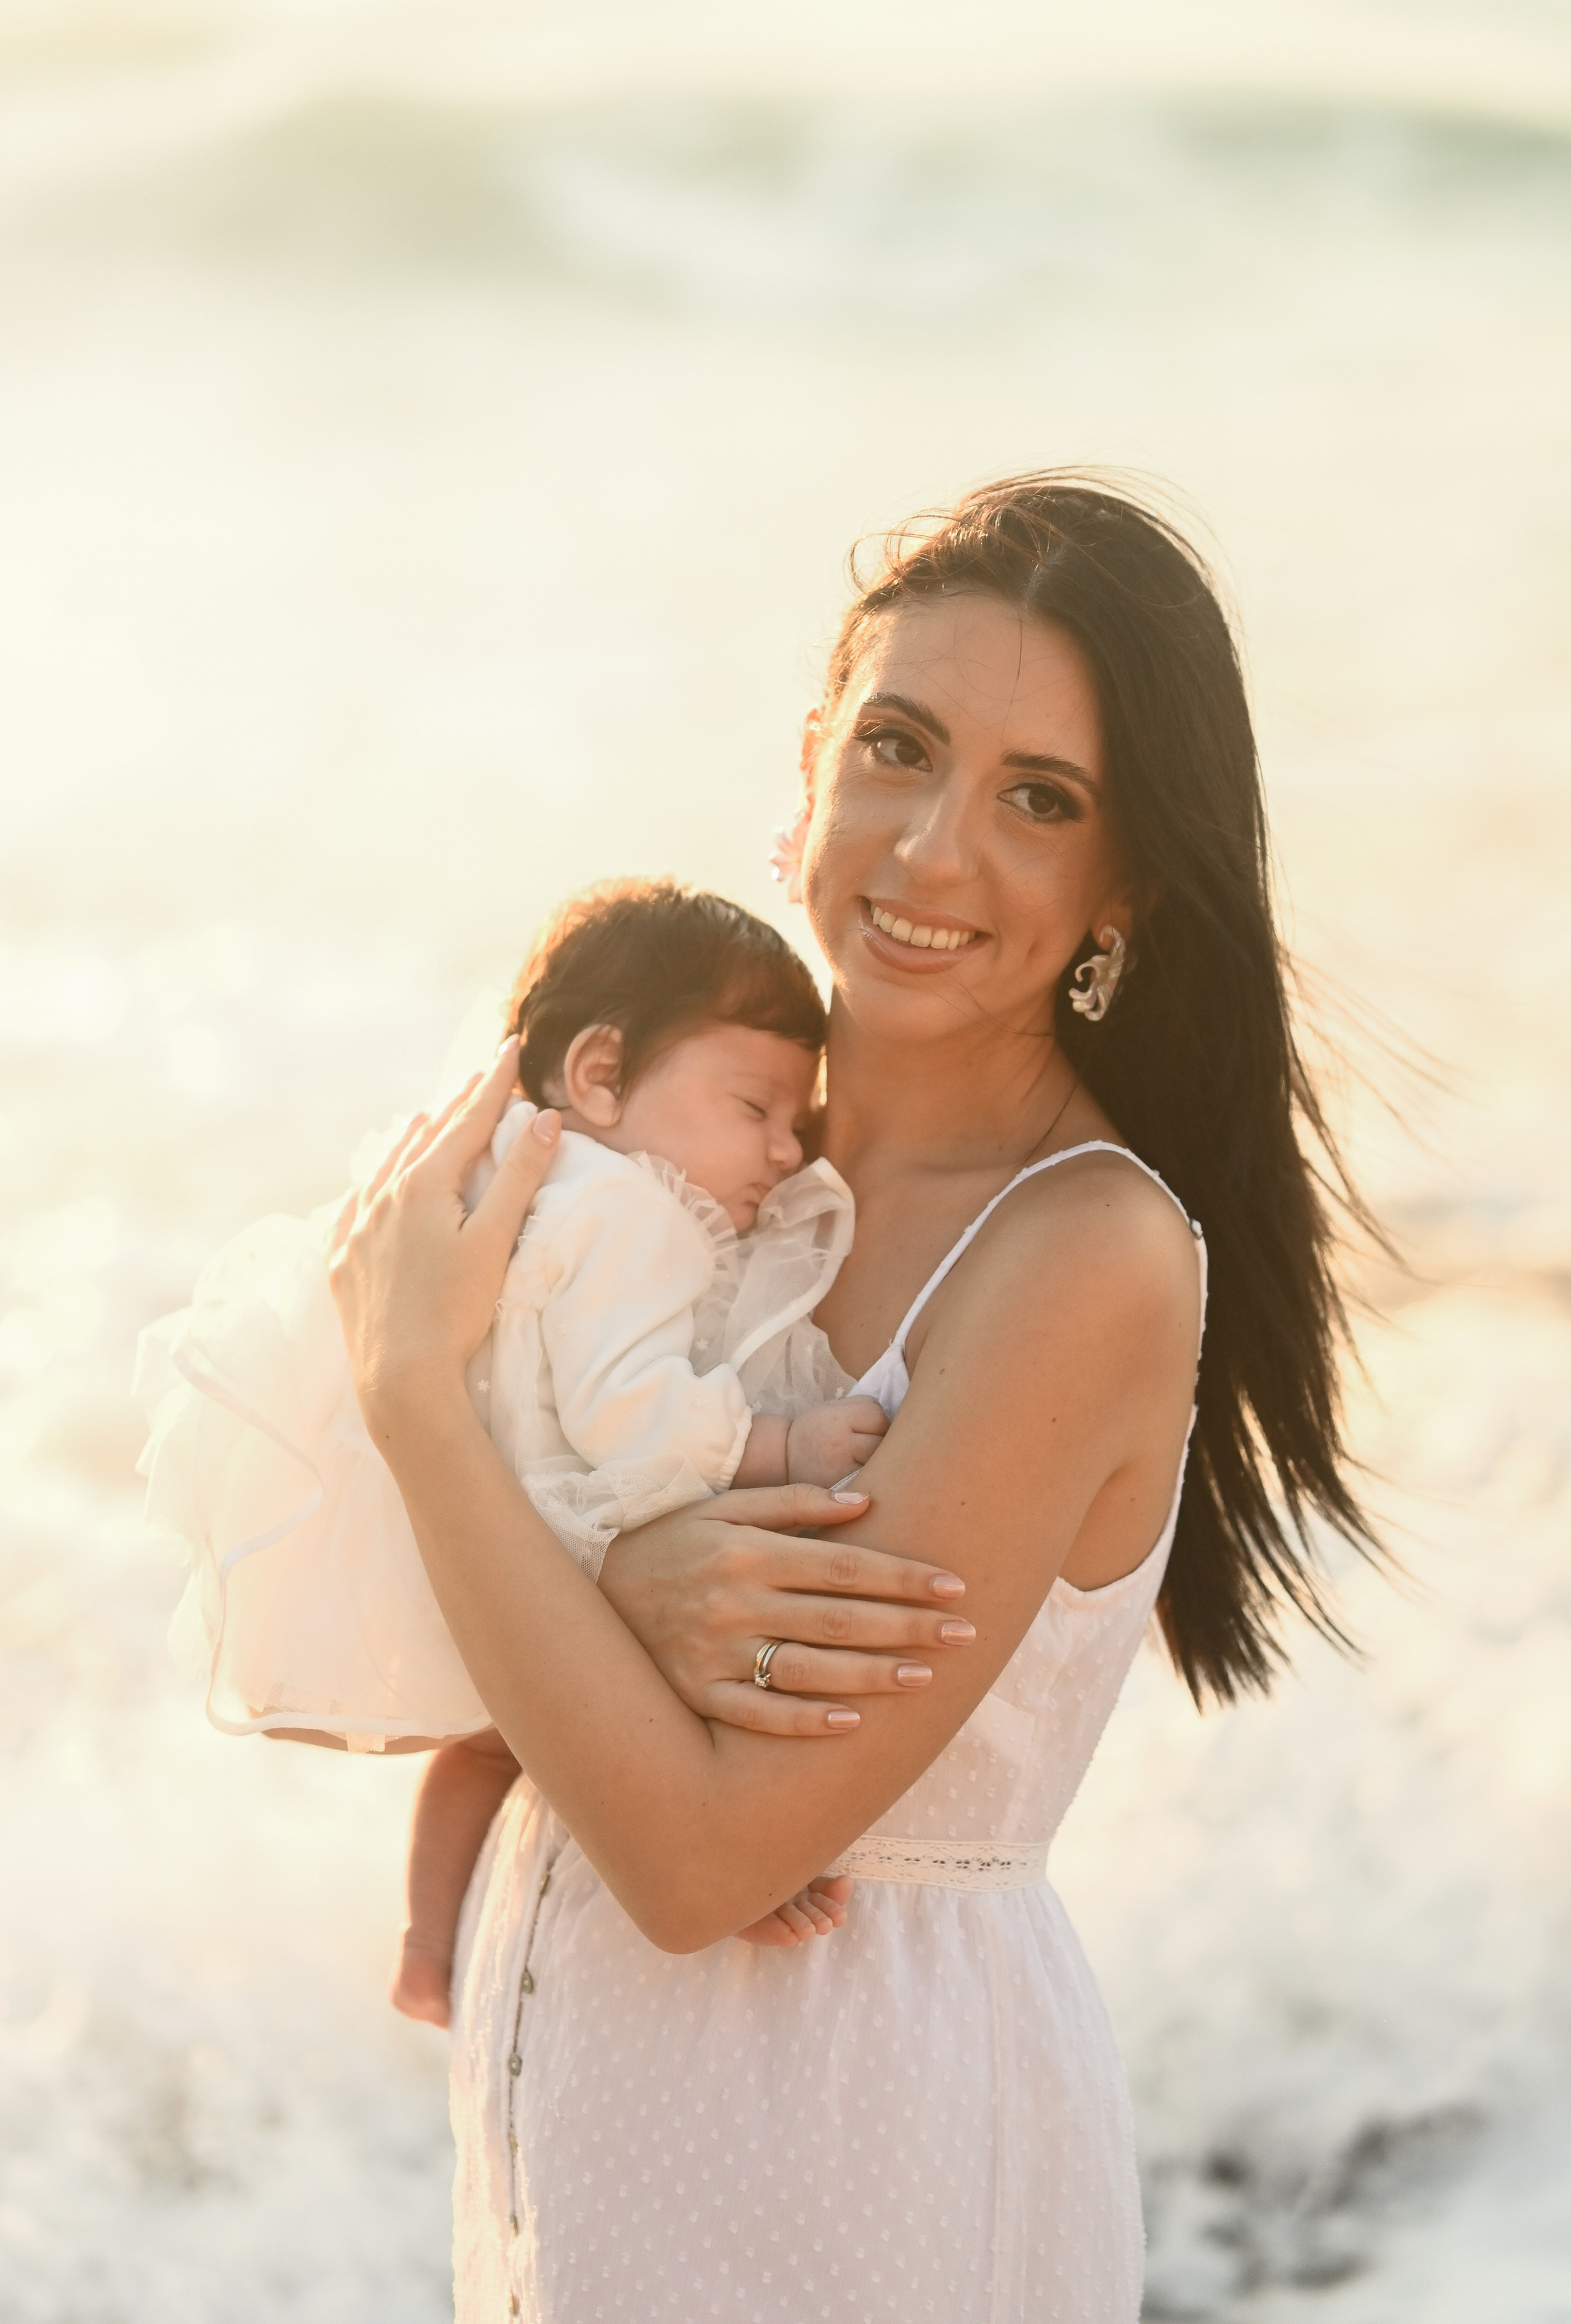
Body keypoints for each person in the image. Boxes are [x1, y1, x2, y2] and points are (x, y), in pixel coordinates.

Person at [326, 473, 1380, 2322]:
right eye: (899, 748)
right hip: (580, 2095)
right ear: (812, 752)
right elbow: (387, 1616)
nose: (931, 851)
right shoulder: (709, 1167)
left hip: (855, 2140)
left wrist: (417, 1399)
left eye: (1038, 801)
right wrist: (608, 1578)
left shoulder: (1084, 1254)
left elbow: (703, 1853)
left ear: (1122, 882)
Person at [137, 881, 892, 2018]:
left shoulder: (518, 1178)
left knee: (488, 1744)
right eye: (757, 1107)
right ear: (597, 1075)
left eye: (801, 1120)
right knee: (636, 1721)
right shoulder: (636, 1216)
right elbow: (628, 1417)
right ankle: (740, 1866)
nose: (788, 1150)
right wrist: (776, 1439)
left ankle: (428, 1948)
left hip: (486, 1521)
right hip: (562, 1528)